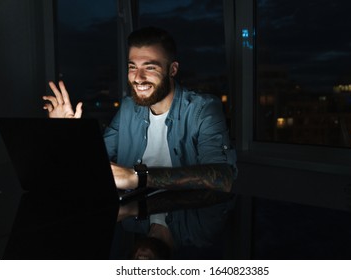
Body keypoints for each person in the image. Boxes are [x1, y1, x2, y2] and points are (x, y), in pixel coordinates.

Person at [42, 26, 237, 258]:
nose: (138, 77)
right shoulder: (128, 108)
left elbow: (224, 177)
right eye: (132, 67)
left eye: (150, 67)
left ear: (172, 69)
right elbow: (92, 164)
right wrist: (69, 133)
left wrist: (137, 177)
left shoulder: (203, 109)